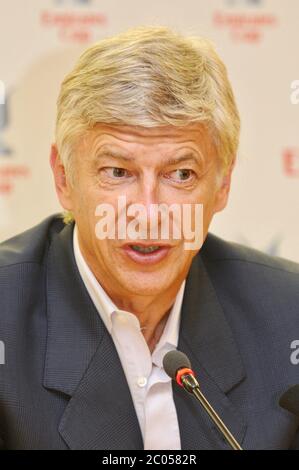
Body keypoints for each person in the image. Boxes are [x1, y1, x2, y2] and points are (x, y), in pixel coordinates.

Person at [0, 26, 298, 450]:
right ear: (64, 178)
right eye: (117, 172)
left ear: (223, 184)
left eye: (181, 174)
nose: (148, 213)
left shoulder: (290, 317)